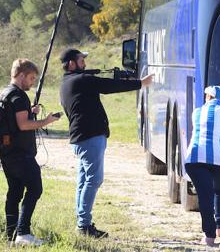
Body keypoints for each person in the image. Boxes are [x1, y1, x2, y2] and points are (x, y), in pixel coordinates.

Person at [59, 48, 153, 238]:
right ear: (71, 64)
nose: (84, 63)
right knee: (93, 180)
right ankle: (83, 225)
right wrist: (141, 83)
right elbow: (109, 86)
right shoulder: (82, 80)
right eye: (81, 60)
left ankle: (82, 222)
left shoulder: (67, 82)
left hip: (82, 138)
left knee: (84, 180)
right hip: (90, 137)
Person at [0, 59, 60, 246]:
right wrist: (46, 121)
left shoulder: (5, 93)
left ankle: (11, 235)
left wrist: (30, 111)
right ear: (21, 75)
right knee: (35, 188)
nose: (32, 82)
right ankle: (23, 233)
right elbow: (23, 124)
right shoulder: (19, 96)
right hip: (21, 154)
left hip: (7, 153)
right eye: (31, 78)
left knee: (15, 193)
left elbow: (14, 118)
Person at [184, 85, 220, 247]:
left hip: (196, 159)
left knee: (205, 196)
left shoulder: (197, 112)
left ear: (207, 97)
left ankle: (209, 236)